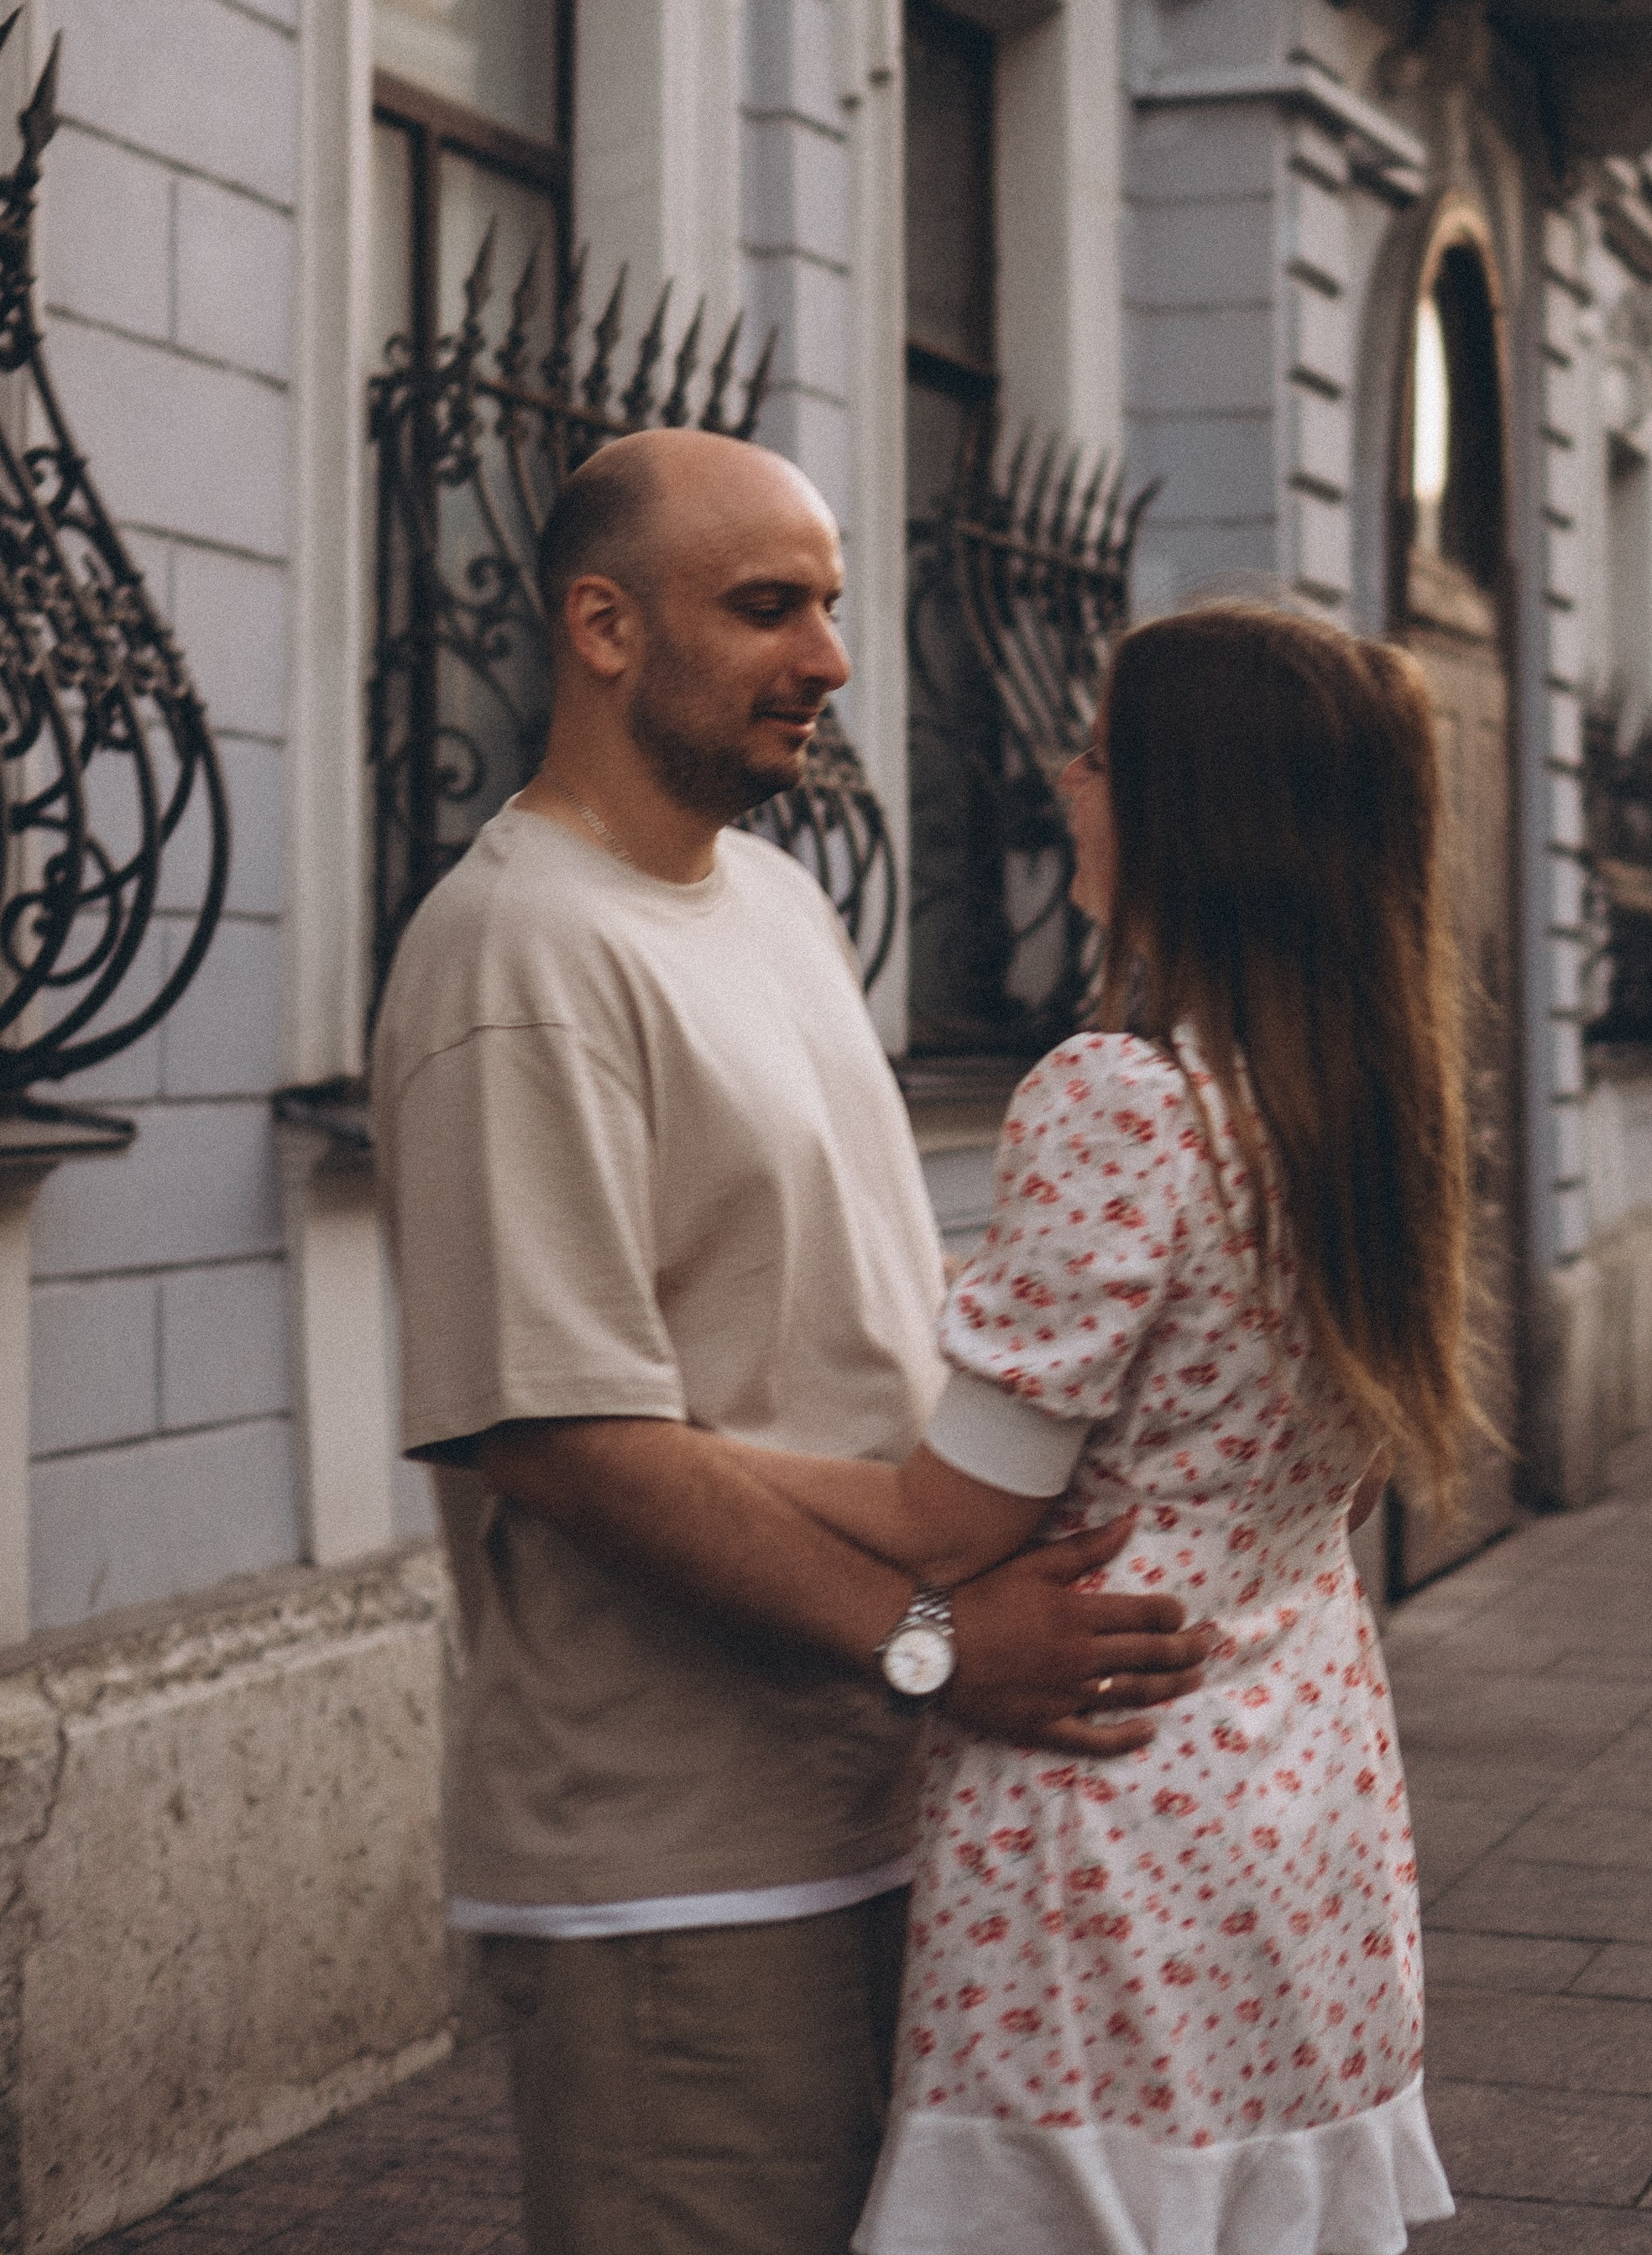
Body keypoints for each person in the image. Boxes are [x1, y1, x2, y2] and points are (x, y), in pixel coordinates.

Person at [371, 429, 1210, 2255]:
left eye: (828, 606)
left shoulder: (778, 903)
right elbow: (564, 1439)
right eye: (766, 609)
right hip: (681, 1873)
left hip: (888, 1810)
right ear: (601, 626)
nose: (827, 659)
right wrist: (935, 1650)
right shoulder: (514, 955)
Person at [716, 600, 1475, 2254]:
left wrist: (674, 1451)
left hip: (1109, 1815)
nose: (1064, 782)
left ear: (1193, 812)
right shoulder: (1363, 1112)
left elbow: (944, 1529)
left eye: (1097, 754)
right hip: (1311, 1810)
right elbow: (1315, 1501)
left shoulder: (1124, 1099)